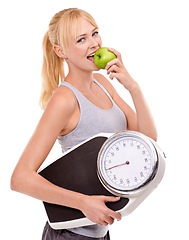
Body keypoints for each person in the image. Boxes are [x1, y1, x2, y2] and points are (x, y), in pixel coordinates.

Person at [10, 7, 157, 240]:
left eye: (94, 33)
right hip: (71, 233)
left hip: (99, 232)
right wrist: (84, 203)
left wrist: (133, 87)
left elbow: (148, 141)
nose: (94, 44)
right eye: (81, 39)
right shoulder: (64, 100)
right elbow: (20, 178)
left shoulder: (102, 83)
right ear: (60, 51)